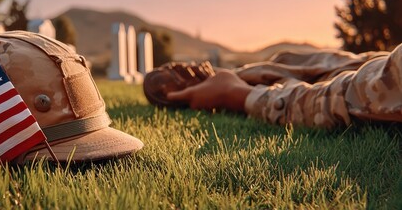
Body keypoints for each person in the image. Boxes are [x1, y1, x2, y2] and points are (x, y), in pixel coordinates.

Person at [144, 44, 402, 129]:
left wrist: (239, 95)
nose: (179, 67)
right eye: (171, 73)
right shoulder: (279, 63)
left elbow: (368, 90)